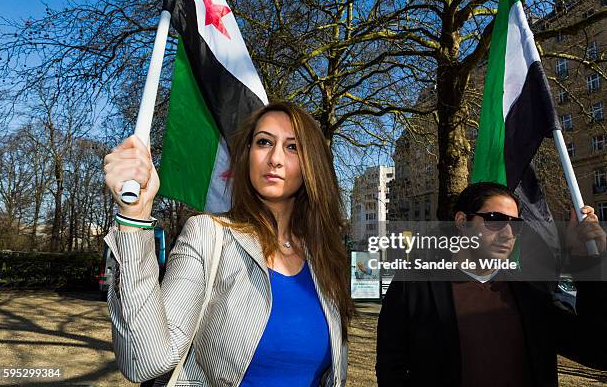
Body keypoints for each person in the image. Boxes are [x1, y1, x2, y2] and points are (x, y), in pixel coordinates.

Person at [103, 101, 353, 386]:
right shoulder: (207, 236)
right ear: (247, 156)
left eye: (292, 147)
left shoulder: (326, 257)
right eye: (264, 142)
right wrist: (134, 218)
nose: (275, 158)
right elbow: (145, 360)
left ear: (312, 164)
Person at [376, 182, 607, 386]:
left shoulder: (532, 291)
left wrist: (587, 260)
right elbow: (391, 367)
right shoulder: (414, 287)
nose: (508, 234)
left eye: (516, 225)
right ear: (462, 222)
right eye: (495, 220)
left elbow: (596, 348)